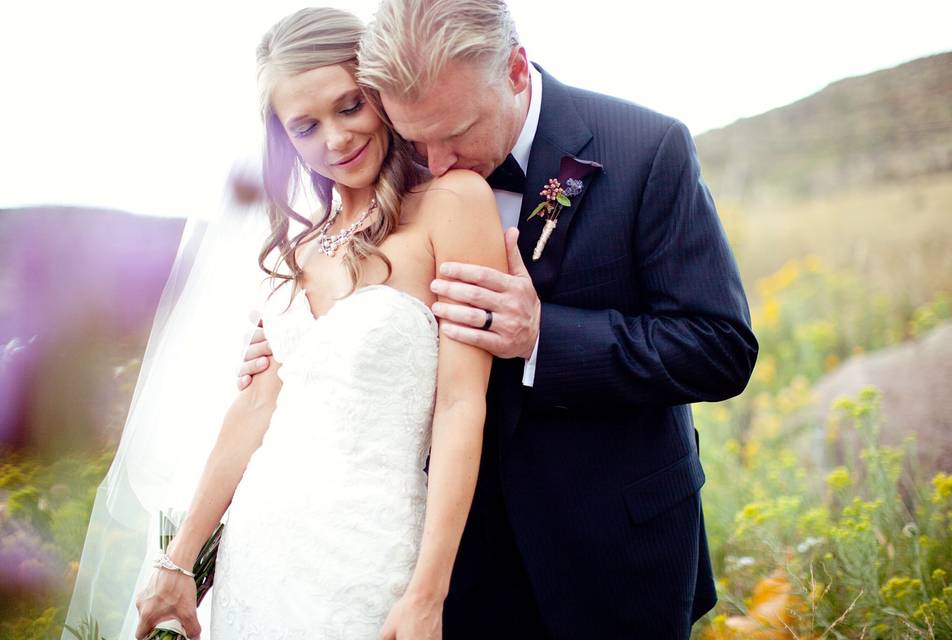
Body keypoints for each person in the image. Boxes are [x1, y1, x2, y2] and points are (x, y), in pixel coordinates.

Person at [237, 1, 759, 638]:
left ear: (514, 70)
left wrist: (542, 337)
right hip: (456, 561)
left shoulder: (647, 149)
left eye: (456, 134)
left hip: (614, 546)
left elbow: (720, 348)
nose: (435, 161)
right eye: (412, 136)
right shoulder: (389, 160)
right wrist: (298, 341)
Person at [128, 7, 507, 639]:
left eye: (350, 106)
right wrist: (178, 560)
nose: (335, 139)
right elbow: (253, 413)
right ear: (284, 139)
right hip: (263, 543)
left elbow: (461, 406)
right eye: (306, 126)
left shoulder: (453, 203)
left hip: (372, 553)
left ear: (382, 93)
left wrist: (427, 592)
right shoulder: (297, 253)